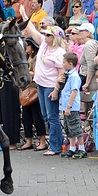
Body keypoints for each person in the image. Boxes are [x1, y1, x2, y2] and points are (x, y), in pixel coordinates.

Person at [23, 24, 67, 156]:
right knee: (46, 115)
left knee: (52, 116)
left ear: (55, 38)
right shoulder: (43, 45)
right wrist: (25, 16)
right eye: (46, 34)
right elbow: (33, 31)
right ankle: (58, 142)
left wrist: (56, 89)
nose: (45, 36)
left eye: (49, 35)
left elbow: (61, 73)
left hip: (50, 85)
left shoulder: (59, 52)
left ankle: (55, 146)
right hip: (40, 84)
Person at [60, 52, 84, 158]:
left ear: (70, 63)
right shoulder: (68, 75)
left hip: (72, 107)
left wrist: (69, 106)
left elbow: (74, 91)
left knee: (75, 127)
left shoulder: (74, 76)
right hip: (65, 107)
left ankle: (82, 148)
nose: (62, 64)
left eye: (64, 62)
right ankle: (72, 148)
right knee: (69, 128)